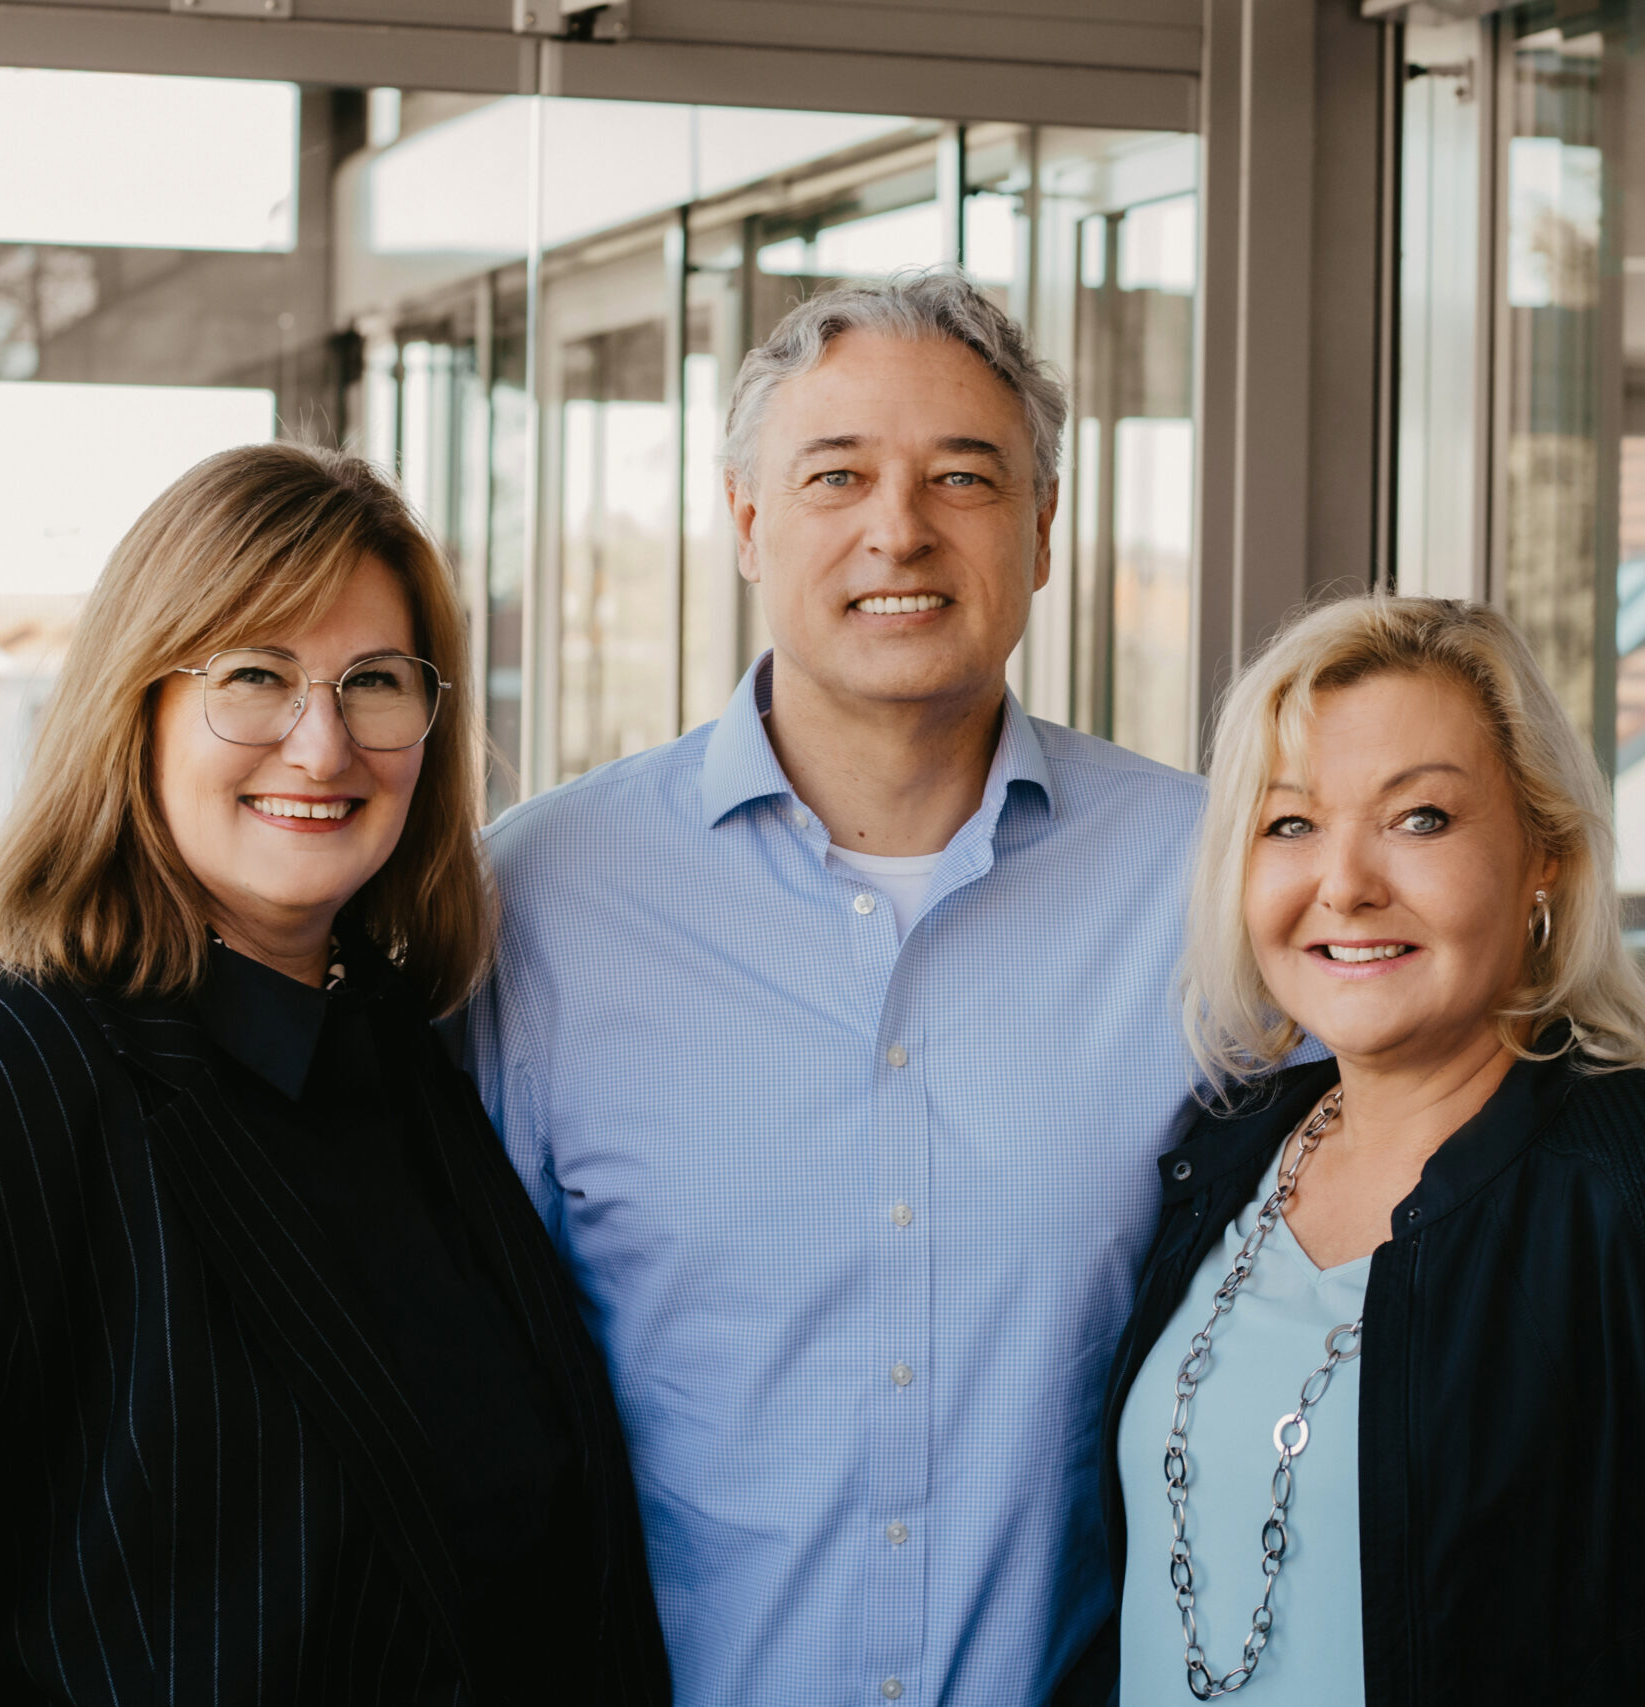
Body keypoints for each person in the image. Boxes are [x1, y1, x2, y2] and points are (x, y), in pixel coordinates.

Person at [0, 445, 670, 1703]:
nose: (321, 745)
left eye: (373, 682)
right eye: (255, 676)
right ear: (133, 706)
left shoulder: (418, 1070)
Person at [466, 269, 1245, 1704]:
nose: (900, 528)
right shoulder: (538, 895)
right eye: (837, 475)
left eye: (964, 476)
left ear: (1043, 530)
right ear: (745, 520)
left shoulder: (1209, 879)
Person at [1084, 594, 1645, 1705]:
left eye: (1420, 819)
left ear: (1543, 853)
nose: (1344, 884)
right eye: (1290, 824)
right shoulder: (1221, 1152)